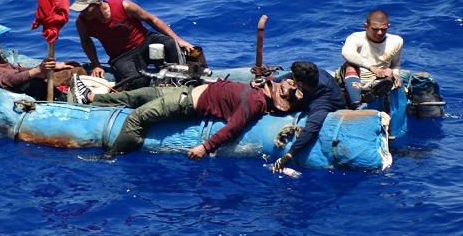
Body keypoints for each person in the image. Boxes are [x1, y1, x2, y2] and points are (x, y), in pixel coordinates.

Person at [69, 74, 303, 160]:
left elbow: (234, 128)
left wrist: (205, 147)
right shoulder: (259, 90)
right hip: (184, 91)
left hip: (185, 103)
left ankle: (112, 155)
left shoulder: (255, 103)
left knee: (137, 117)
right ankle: (91, 98)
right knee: (138, 95)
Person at [70, 0, 195, 90]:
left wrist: (178, 39)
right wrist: (97, 65)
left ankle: (181, 82)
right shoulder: (82, 22)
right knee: (138, 81)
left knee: (170, 43)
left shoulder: (123, 6)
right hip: (122, 56)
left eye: (86, 9)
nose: (83, 13)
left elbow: (152, 20)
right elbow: (86, 42)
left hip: (145, 42)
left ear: (97, 5)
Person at [0, 21, 86, 101]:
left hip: (32, 82)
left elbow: (15, 70)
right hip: (25, 91)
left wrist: (51, 68)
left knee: (73, 70)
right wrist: (37, 71)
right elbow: (6, 81)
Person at [273, 61, 346, 173]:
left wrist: (289, 155)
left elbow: (311, 129)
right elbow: (290, 75)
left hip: (323, 102)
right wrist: (272, 82)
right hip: (308, 94)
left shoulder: (322, 101)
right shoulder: (314, 73)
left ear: (300, 83)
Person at [338, 9, 403, 108]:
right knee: (350, 65)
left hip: (379, 80)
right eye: (375, 29)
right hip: (354, 78)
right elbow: (347, 53)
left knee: (389, 72)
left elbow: (395, 65)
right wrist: (372, 67)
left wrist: (395, 74)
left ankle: (372, 95)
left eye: (383, 29)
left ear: (388, 27)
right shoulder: (356, 38)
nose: (380, 33)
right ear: (366, 26)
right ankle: (356, 104)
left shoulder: (396, 41)